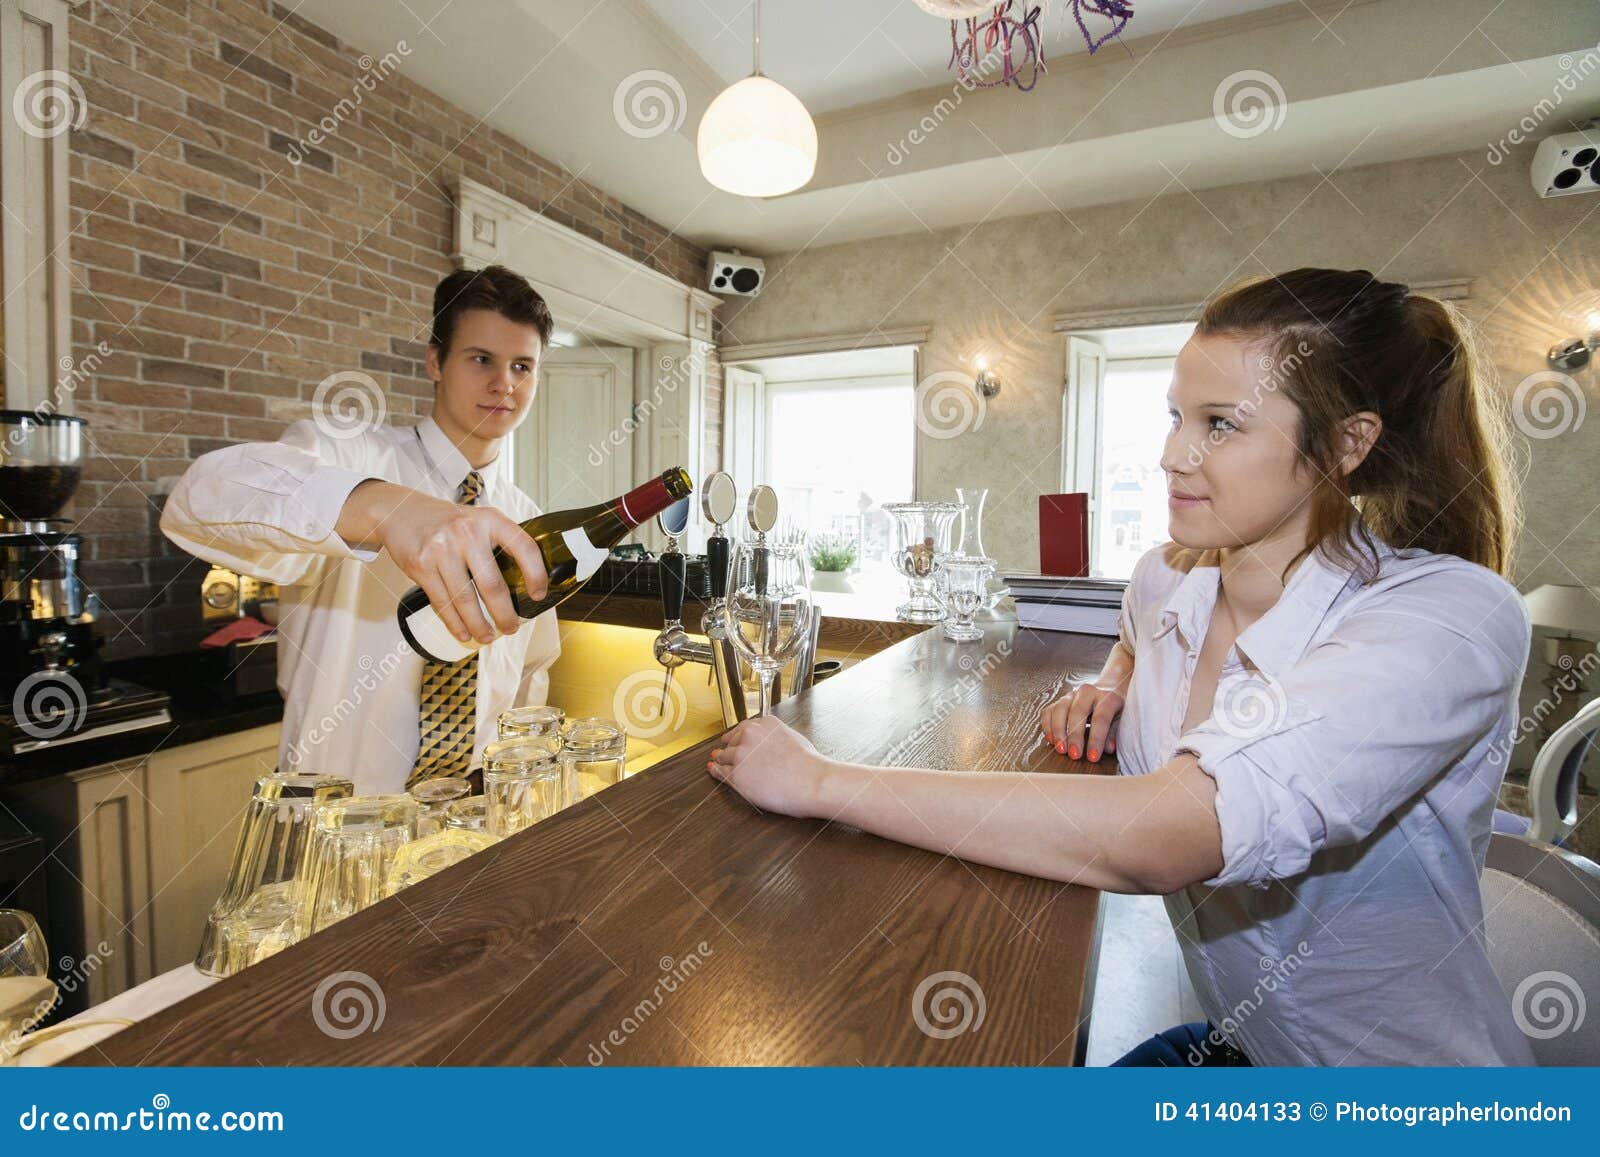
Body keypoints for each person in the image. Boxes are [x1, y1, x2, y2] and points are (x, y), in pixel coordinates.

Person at [707, 268, 1537, 1066]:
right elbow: (1138, 639)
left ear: (1347, 444)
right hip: (1252, 1051)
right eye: (1177, 415)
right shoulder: (1168, 575)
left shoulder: (1449, 619)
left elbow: (1170, 837)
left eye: (1221, 423)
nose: (1174, 454)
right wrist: (1112, 684)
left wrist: (821, 783)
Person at [162, 264, 559, 795]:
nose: (503, 383)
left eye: (523, 366)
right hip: (338, 817)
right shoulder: (345, 455)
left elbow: (530, 670)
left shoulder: (524, 519)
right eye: (481, 358)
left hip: (465, 819)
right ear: (436, 362)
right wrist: (385, 510)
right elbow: (196, 501)